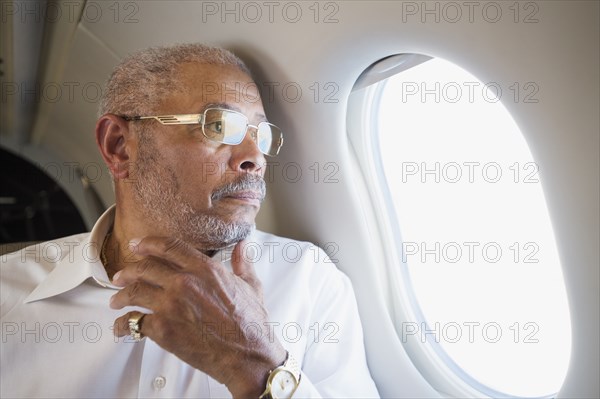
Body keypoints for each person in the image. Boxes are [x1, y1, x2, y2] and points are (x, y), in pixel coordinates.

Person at [0, 43, 379, 398]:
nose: (255, 157)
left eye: (261, 135)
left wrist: (258, 368)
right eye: (218, 126)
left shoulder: (310, 281)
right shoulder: (8, 295)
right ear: (119, 146)